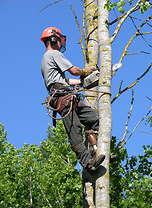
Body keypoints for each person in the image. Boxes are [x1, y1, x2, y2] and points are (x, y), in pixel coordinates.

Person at [40, 27, 105, 172]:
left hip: (68, 96)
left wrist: (84, 82)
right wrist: (86, 71)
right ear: (53, 39)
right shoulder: (52, 54)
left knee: (94, 118)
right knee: (74, 131)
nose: (61, 45)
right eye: (59, 40)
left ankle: (97, 150)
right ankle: (88, 162)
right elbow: (74, 71)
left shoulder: (47, 60)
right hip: (63, 99)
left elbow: (67, 80)